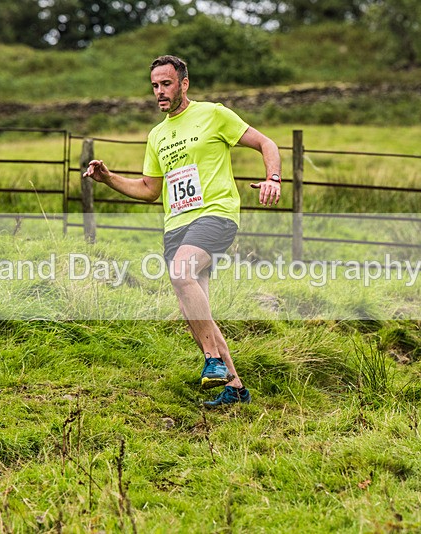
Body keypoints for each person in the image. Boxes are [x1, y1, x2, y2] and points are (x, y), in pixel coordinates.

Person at [83, 55, 282, 407]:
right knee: (195, 311)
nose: (160, 92)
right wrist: (109, 178)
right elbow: (149, 190)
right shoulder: (157, 135)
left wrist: (273, 178)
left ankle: (213, 361)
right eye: (155, 86)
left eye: (166, 84)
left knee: (181, 271)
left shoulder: (213, 114)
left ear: (184, 84)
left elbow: (267, 144)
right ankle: (235, 388)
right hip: (176, 226)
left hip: (215, 215)